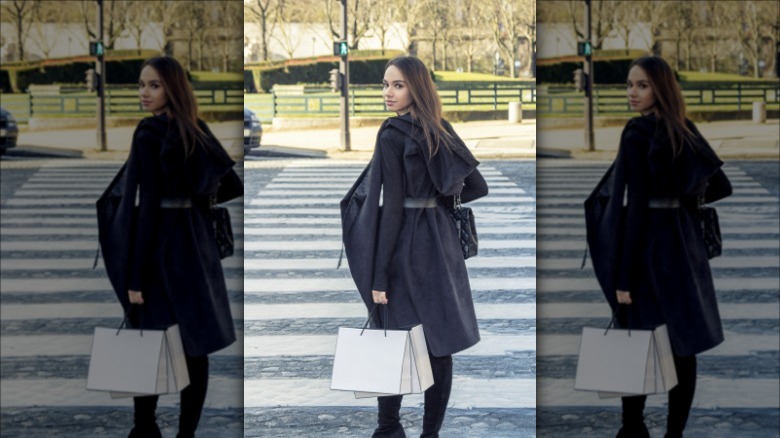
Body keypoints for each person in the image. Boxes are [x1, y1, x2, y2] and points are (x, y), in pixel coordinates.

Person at [585, 56, 733, 438]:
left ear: (660, 89)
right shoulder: (684, 128)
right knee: (683, 346)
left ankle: (633, 428)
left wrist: (623, 277)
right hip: (683, 250)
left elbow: (633, 210)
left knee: (634, 339)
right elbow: (720, 185)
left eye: (642, 85)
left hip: (649, 249)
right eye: (629, 85)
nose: (632, 93)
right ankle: (674, 434)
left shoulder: (636, 133)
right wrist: (683, 198)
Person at [340, 56, 488, 437]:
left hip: (405, 247)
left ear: (416, 88)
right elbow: (477, 186)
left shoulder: (392, 134)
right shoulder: (441, 128)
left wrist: (378, 276)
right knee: (439, 343)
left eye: (398, 85)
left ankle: (388, 428)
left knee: (392, 335)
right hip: (440, 247)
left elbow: (390, 213)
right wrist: (438, 202)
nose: (389, 93)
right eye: (385, 85)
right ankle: (430, 434)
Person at [96, 56, 242, 438]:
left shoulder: (148, 133)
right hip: (195, 248)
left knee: (147, 340)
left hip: (160, 249)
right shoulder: (196, 128)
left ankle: (144, 428)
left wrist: (134, 277)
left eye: (154, 85)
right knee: (196, 346)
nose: (144, 92)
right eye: (142, 85)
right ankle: (186, 434)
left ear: (172, 88)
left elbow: (144, 214)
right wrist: (196, 197)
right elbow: (232, 185)